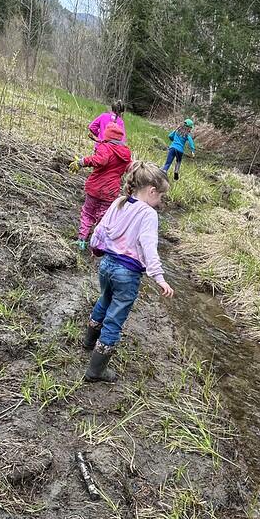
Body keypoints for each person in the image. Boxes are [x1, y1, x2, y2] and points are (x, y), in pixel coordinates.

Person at [83, 161, 174, 383]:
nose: (160, 201)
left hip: (107, 266)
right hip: (127, 273)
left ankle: (88, 342)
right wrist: (159, 278)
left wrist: (96, 248)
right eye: (161, 196)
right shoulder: (149, 214)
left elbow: (101, 228)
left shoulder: (119, 202)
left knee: (103, 300)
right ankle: (96, 371)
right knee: (115, 318)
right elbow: (149, 247)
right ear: (152, 191)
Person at [70, 122, 132, 250]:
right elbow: (129, 167)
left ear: (108, 136)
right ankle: (98, 243)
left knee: (88, 212)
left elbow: (101, 160)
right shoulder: (126, 153)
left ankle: (82, 240)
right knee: (103, 216)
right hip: (111, 191)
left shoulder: (105, 148)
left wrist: (82, 161)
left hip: (96, 187)